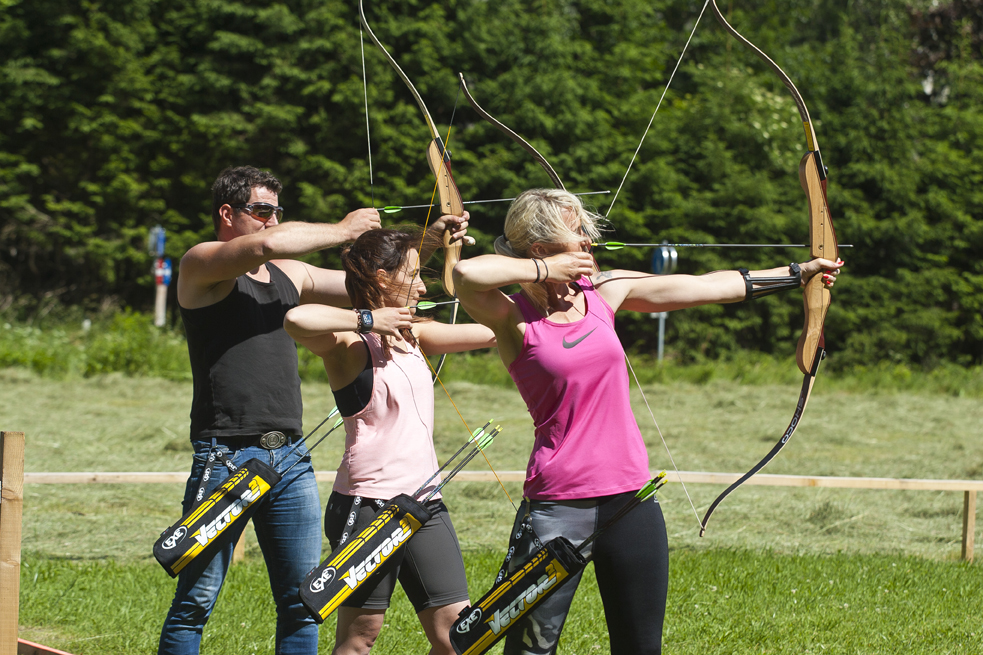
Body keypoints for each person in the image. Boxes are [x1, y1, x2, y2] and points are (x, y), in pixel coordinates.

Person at [452, 188, 843, 655]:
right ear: (539, 249)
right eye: (577, 234)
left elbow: (705, 286)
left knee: (640, 647)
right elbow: (464, 273)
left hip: (631, 501)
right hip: (559, 505)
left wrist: (798, 273)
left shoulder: (604, 291)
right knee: (532, 649)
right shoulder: (513, 316)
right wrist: (544, 271)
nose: (588, 243)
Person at [161, 165, 464, 655]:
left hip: (290, 458)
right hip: (224, 456)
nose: (272, 222)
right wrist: (345, 230)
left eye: (278, 212)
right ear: (226, 214)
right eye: (261, 211)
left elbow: (370, 280)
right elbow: (263, 247)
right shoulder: (202, 264)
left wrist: (428, 241)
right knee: (196, 599)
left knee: (304, 603)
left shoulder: (291, 274)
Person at [283, 227, 496, 655]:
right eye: (414, 274)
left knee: (459, 637)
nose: (422, 285)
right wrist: (369, 318)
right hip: (369, 508)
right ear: (382, 277)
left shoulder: (417, 334)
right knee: (360, 639)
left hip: (425, 503)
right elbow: (295, 320)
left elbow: (493, 330)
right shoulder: (350, 343)